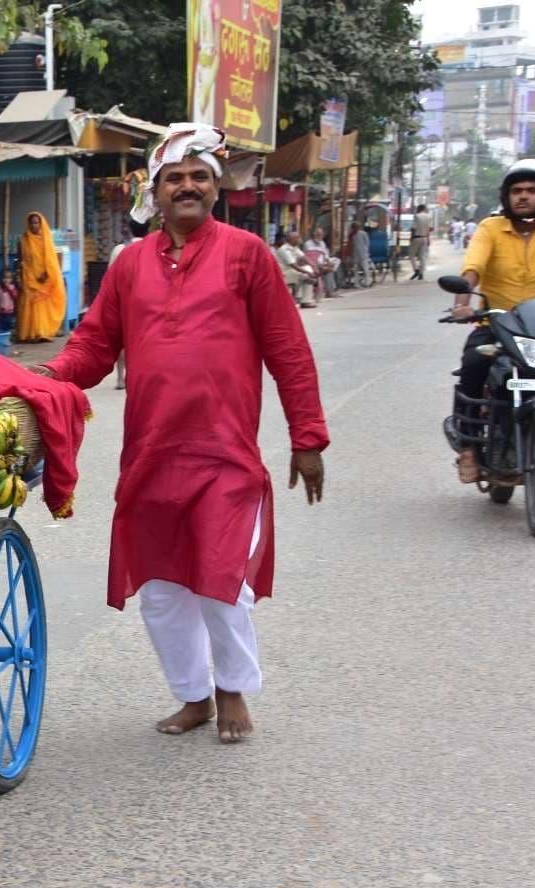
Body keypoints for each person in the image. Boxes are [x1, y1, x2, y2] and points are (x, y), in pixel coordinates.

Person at [35, 123, 328, 744]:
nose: (187, 187)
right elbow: (93, 344)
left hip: (225, 456)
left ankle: (232, 690)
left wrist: (308, 437)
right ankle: (193, 696)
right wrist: (49, 379)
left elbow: (289, 351)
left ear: (215, 189)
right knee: (163, 593)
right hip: (150, 457)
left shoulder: (248, 255)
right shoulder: (130, 264)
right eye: (175, 178)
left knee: (223, 584)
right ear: (157, 191)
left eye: (199, 177)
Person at [449, 159, 535, 483]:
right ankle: (468, 449)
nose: (523, 196)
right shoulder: (490, 229)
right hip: (495, 325)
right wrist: (462, 303)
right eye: (517, 190)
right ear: (506, 196)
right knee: (473, 365)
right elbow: (473, 265)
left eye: (532, 190)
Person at [106, 217, 152, 388]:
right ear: (148, 229)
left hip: (123, 300)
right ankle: (136, 373)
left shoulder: (120, 249)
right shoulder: (155, 247)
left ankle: (120, 377)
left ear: (130, 229)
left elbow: (110, 275)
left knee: (123, 340)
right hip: (147, 301)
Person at [16, 211, 66, 341]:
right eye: (31, 223)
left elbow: (51, 259)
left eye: (36, 222)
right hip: (28, 276)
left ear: (41, 223)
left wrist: (46, 274)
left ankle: (41, 332)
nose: (34, 225)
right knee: (29, 302)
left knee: (42, 304)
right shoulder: (23, 240)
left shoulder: (46, 239)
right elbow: (20, 259)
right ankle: (29, 334)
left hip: (43, 276)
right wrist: (19, 274)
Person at [273, 229, 319, 308]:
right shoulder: (283, 249)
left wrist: (314, 267)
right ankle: (300, 293)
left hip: (292, 272)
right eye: (297, 238)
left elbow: (305, 258)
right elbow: (294, 265)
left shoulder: (295, 248)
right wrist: (308, 273)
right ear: (291, 240)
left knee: (308, 269)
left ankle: (306, 301)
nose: (299, 239)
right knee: (307, 275)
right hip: (284, 273)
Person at [303, 226, 341, 299]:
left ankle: (329, 291)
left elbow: (325, 255)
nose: (320, 236)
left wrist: (328, 261)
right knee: (328, 269)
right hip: (312, 264)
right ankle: (329, 291)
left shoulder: (322, 243)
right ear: (314, 235)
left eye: (321, 235)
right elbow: (311, 256)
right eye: (318, 235)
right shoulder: (308, 244)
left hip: (321, 262)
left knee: (333, 265)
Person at [409, 203, 433, 280]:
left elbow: (413, 228)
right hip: (425, 238)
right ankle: (421, 273)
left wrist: (411, 238)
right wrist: (428, 237)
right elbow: (430, 229)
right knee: (422, 256)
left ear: (419, 209)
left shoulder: (417, 216)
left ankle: (416, 270)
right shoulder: (429, 217)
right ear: (424, 209)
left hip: (416, 237)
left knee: (412, 255)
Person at [0, 268, 17, 332]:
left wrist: (9, 289)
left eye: (9, 278)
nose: (6, 280)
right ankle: (1, 337)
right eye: (4, 278)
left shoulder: (13, 287)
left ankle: (6, 336)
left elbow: (15, 297)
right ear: (1, 278)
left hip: (9, 312)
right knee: (0, 326)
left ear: (11, 279)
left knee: (8, 325)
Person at [350, 221, 372, 288]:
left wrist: (366, 252)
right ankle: (356, 283)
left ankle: (367, 283)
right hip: (355, 255)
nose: (355, 229)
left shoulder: (363, 234)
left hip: (363, 254)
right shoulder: (351, 235)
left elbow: (367, 243)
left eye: (356, 228)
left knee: (365, 269)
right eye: (354, 228)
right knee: (355, 270)